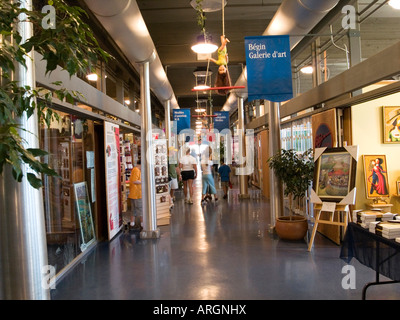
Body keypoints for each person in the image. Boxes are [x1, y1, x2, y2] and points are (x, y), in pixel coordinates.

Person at [128, 160, 142, 231]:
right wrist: (143, 181)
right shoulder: (136, 170)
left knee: (133, 210)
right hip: (137, 194)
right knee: (140, 209)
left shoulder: (135, 169)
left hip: (133, 193)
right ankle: (142, 225)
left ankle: (132, 224)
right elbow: (134, 180)